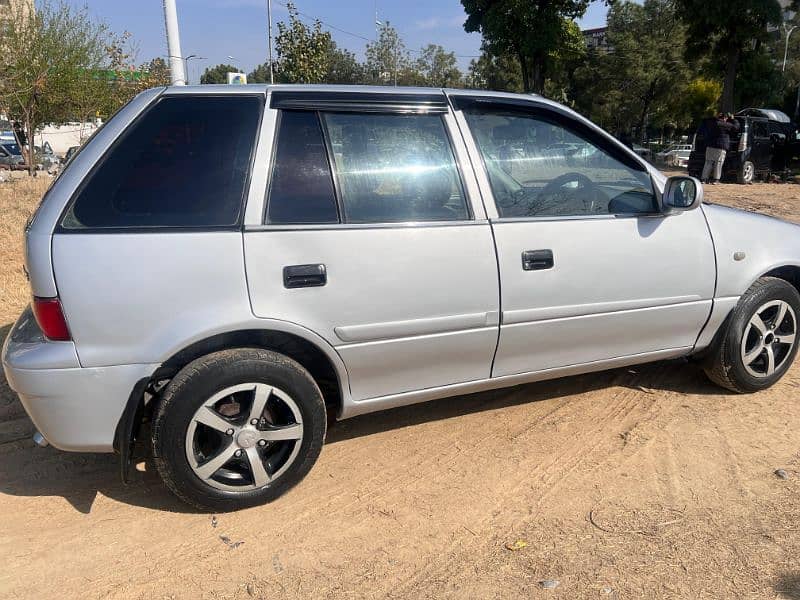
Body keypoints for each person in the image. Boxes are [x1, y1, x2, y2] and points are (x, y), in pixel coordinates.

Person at [701, 112, 740, 185]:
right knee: (718, 163)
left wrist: (714, 117)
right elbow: (736, 127)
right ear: (724, 118)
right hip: (720, 147)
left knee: (708, 162)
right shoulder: (725, 125)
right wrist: (733, 119)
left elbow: (706, 121)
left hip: (710, 146)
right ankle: (716, 180)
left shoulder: (711, 123)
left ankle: (704, 179)